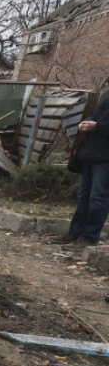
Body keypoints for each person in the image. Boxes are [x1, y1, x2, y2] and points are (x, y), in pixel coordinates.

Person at [54, 89, 109, 250]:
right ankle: (75, 233)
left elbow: (99, 124)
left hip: (106, 158)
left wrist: (96, 126)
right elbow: (95, 116)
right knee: (83, 196)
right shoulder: (106, 93)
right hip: (90, 152)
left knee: (98, 198)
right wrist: (86, 123)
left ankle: (90, 238)